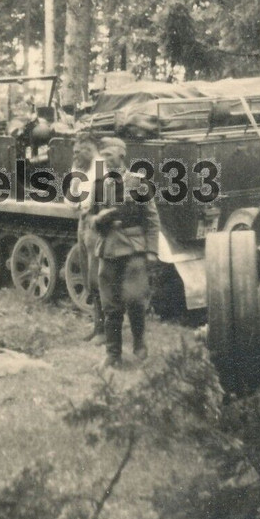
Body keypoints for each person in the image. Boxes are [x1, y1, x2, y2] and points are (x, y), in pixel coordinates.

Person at [91, 136, 161, 367]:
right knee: (110, 306)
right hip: (108, 249)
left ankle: (139, 344)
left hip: (133, 250)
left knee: (135, 301)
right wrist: (98, 219)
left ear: (121, 155)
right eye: (103, 156)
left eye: (108, 155)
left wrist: (152, 251)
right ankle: (113, 355)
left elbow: (151, 219)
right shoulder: (99, 184)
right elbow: (90, 217)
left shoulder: (138, 182)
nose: (105, 160)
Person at [70, 134, 104, 342]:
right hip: (82, 221)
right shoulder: (80, 168)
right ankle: (97, 325)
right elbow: (72, 196)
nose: (74, 156)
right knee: (87, 275)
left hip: (95, 223)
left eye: (77, 152)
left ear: (89, 150)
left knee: (97, 276)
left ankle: (105, 331)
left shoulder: (100, 168)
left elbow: (100, 201)